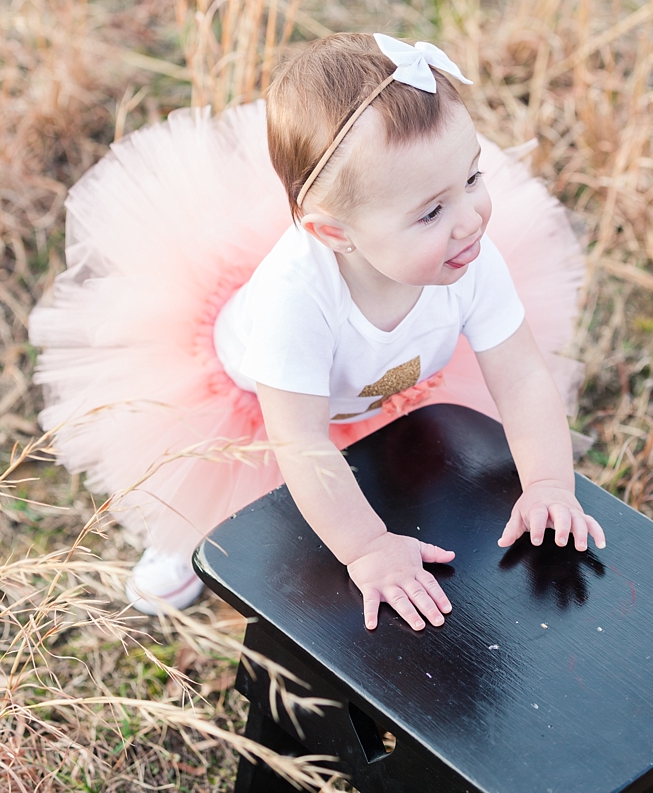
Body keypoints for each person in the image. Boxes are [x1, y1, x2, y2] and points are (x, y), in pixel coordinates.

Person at [29, 32, 605, 627]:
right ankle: (182, 537)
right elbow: (300, 444)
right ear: (334, 234)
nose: (470, 220)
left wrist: (548, 484)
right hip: (258, 402)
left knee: (404, 469)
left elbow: (522, 378)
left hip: (371, 382)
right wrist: (368, 548)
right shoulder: (296, 301)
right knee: (245, 486)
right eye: (432, 211)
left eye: (473, 177)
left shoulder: (469, 258)